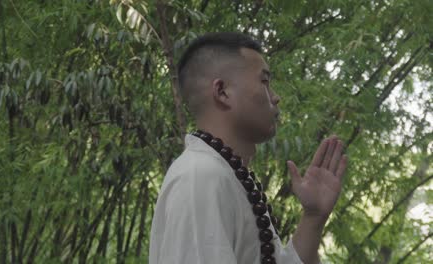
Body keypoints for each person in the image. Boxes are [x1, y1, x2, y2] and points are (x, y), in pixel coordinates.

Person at [149, 32, 348, 264]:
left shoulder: (226, 175)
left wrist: (314, 217)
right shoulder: (200, 177)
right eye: (264, 81)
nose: (276, 97)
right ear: (222, 92)